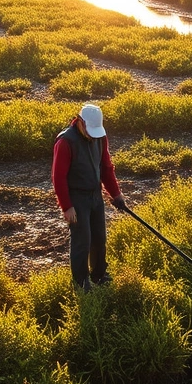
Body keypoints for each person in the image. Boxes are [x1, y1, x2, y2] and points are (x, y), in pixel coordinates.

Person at [52, 103, 126, 290]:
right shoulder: (65, 142)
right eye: (90, 130)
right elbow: (58, 177)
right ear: (80, 122)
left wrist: (116, 194)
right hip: (76, 198)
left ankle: (99, 275)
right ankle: (81, 282)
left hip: (95, 195)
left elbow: (106, 168)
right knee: (82, 239)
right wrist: (67, 206)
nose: (93, 135)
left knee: (99, 237)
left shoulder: (100, 137)